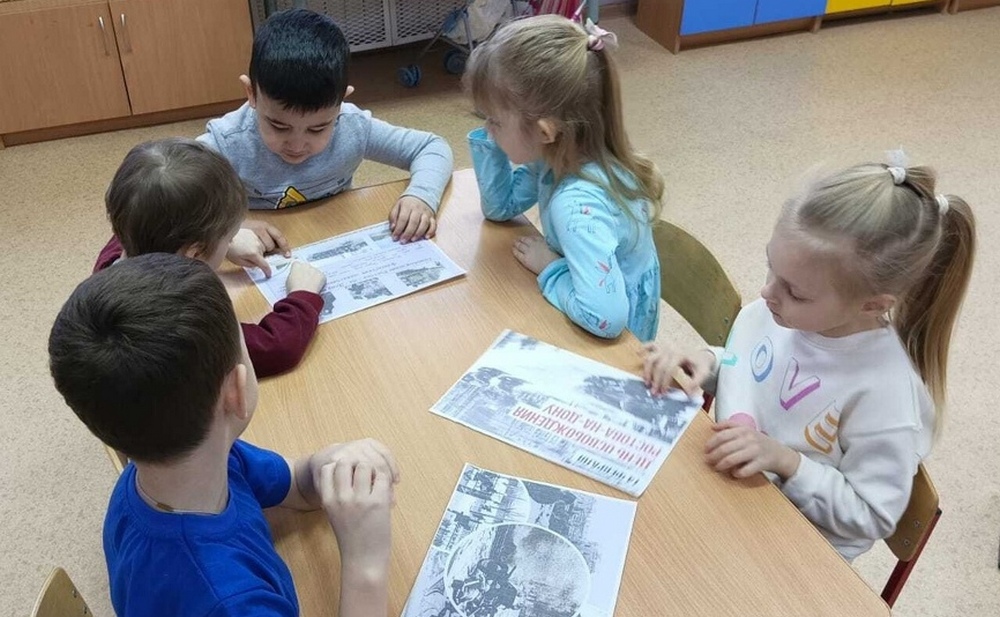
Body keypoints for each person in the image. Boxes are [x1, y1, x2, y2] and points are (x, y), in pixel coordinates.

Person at [643, 162, 976, 560]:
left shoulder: (887, 396)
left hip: (793, 550)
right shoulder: (785, 312)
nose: (767, 293)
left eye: (796, 292)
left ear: (872, 305)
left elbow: (870, 515)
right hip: (730, 492)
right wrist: (706, 363)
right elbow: (754, 369)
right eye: (770, 266)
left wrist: (787, 462)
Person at [49, 253, 399, 616]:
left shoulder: (184, 465)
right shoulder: (231, 603)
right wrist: (365, 565)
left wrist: (327, 466)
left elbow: (293, 483)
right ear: (236, 391)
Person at [465, 15, 664, 341]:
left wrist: (549, 266)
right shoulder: (558, 154)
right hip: (592, 290)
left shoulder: (574, 204)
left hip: (615, 341)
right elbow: (501, 208)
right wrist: (493, 141)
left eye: (494, 121)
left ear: (545, 132)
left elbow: (606, 319)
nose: (487, 128)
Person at [198, 8, 454, 243]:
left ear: (341, 102)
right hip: (262, 252)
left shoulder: (352, 126)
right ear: (251, 94)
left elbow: (431, 147)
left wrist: (420, 196)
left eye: (317, 129)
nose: (297, 145)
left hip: (333, 234)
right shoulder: (228, 141)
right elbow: (175, 191)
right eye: (279, 126)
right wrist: (228, 232)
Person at [94, 137, 326, 378]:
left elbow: (134, 225)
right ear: (194, 254)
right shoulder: (182, 326)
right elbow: (276, 348)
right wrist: (303, 296)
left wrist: (218, 243)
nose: (231, 241)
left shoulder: (110, 267)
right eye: (230, 238)